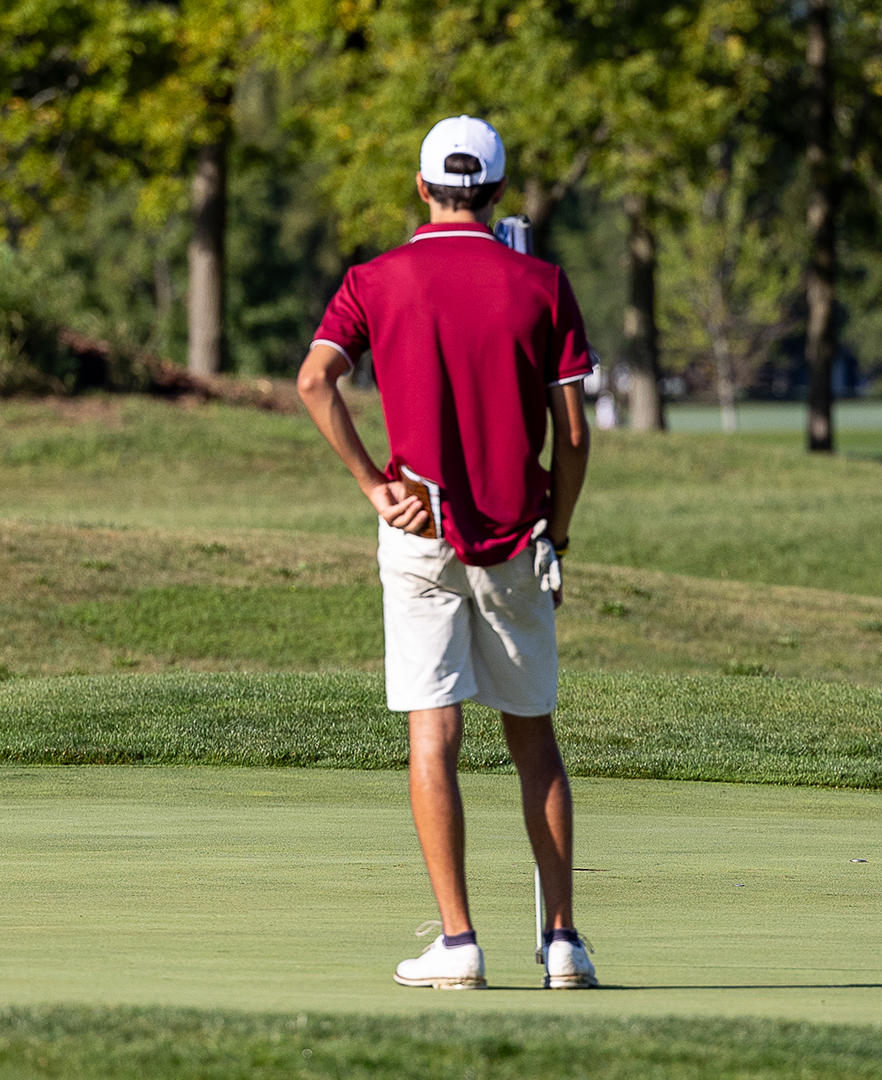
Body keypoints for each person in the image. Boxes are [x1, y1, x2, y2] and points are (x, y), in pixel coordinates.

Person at [295, 115, 599, 988]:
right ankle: (564, 942)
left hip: (418, 524)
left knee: (436, 731)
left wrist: (369, 482)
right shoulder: (541, 283)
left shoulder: (373, 278)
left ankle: (460, 944)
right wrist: (559, 524)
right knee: (532, 736)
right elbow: (573, 433)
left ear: (422, 188)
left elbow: (316, 379)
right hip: (516, 533)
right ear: (498, 193)